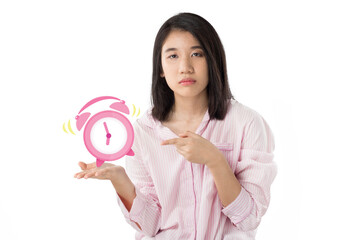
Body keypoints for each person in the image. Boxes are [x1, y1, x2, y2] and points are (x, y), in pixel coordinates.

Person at [74, 12, 277, 240]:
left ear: (213, 60)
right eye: (172, 56)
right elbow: (150, 226)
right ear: (160, 67)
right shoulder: (143, 132)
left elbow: (249, 218)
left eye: (196, 54)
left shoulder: (247, 123)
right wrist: (121, 181)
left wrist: (215, 160)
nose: (185, 67)